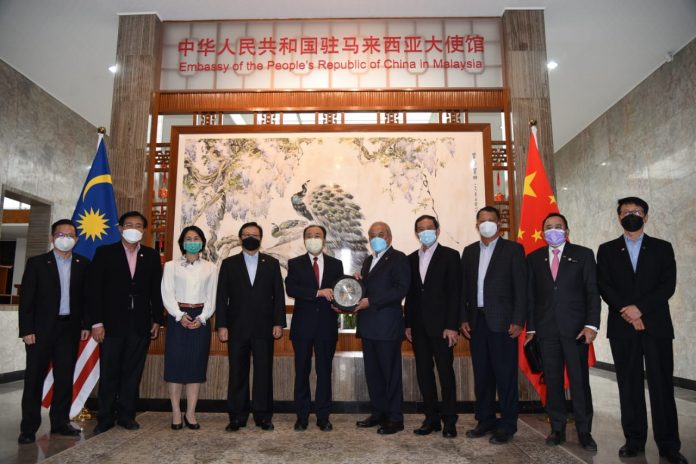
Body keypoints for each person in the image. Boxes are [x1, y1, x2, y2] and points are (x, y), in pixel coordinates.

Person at [597, 197, 687, 464]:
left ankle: (668, 445)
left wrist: (640, 310)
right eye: (626, 212)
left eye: (636, 211)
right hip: (622, 327)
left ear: (646, 217)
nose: (631, 215)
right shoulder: (607, 250)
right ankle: (634, 440)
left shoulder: (662, 247)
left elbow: (667, 285)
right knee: (629, 385)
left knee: (662, 386)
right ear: (618, 217)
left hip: (656, 326)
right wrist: (628, 311)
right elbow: (605, 286)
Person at [525, 213, 600, 451]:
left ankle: (584, 431)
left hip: (577, 330)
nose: (553, 230)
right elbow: (531, 296)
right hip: (546, 331)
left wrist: (591, 325)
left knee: (579, 382)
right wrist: (532, 328)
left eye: (558, 226)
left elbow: (592, 292)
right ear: (543, 232)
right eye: (548, 227)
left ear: (567, 231)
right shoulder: (533, 258)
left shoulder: (583, 254)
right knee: (553, 380)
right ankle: (557, 428)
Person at [87, 211, 164, 434]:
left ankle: (127, 416)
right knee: (109, 371)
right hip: (111, 324)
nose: (133, 229)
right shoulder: (105, 253)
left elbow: (156, 290)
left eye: (138, 225)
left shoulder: (151, 255)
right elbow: (93, 289)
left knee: (133, 372)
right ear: (120, 228)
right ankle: (105, 417)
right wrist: (96, 323)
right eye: (129, 225)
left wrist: (157, 319)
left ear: (144, 230)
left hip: (140, 324)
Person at [17, 219, 90, 444]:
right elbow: (26, 300)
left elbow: (86, 298)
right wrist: (27, 329)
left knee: (64, 377)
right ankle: (28, 428)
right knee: (34, 379)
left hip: (69, 329)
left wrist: (85, 324)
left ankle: (60, 422)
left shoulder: (83, 263)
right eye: (60, 234)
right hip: (40, 331)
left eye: (70, 235)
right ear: (52, 238)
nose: (65, 239)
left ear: (77, 239)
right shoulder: (37, 263)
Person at [460, 206, 526, 444]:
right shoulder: (469, 251)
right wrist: (463, 318)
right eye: (482, 220)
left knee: (505, 376)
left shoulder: (513, 250)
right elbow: (463, 289)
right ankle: (485, 420)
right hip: (476, 322)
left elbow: (521, 288)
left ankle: (508, 425)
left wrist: (518, 320)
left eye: (491, 220)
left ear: (499, 224)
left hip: (503, 323)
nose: (486, 224)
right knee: (482, 375)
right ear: (477, 225)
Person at [216, 222, 286, 432]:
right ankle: (237, 416)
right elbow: (221, 297)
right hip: (236, 327)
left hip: (265, 328)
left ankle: (263, 416)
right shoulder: (229, 264)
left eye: (255, 235)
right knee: (237, 372)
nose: (250, 238)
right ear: (240, 238)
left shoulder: (271, 263)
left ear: (260, 239)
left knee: (264, 372)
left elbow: (278, 296)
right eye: (246, 234)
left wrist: (278, 322)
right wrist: (221, 325)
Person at [404, 215, 460, 438]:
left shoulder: (450, 256)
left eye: (429, 227)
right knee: (424, 373)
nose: (425, 231)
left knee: (446, 374)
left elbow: (455, 293)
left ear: (437, 230)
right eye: (420, 229)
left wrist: (452, 325)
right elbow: (411, 295)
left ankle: (450, 420)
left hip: (443, 328)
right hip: (418, 328)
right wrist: (408, 324)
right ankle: (431, 418)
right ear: (416, 233)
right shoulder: (410, 259)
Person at [285, 225, 344, 432]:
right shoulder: (295, 263)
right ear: (304, 240)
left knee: (324, 372)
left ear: (324, 239)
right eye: (309, 236)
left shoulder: (336, 264)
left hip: (326, 326)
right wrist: (318, 292)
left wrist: (342, 302)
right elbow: (291, 289)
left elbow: (339, 291)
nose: (313, 238)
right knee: (301, 372)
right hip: (302, 327)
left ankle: (323, 416)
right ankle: (301, 417)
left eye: (317, 235)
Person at [354, 221, 410, 435]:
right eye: (372, 235)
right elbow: (369, 290)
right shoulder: (369, 260)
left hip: (387, 327)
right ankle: (379, 413)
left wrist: (371, 301)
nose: (375, 238)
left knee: (390, 374)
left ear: (389, 237)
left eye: (380, 234)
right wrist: (358, 283)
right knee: (374, 374)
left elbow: (400, 289)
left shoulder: (398, 258)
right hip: (368, 326)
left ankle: (395, 418)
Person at [161, 226, 217, 430]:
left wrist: (202, 317)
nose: (192, 241)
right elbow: (167, 293)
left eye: (196, 238)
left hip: (200, 318)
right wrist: (179, 315)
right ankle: (176, 412)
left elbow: (212, 296)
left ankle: (190, 413)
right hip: (177, 317)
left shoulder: (211, 267)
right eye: (188, 238)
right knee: (174, 366)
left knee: (196, 366)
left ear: (202, 242)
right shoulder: (171, 266)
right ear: (182, 243)